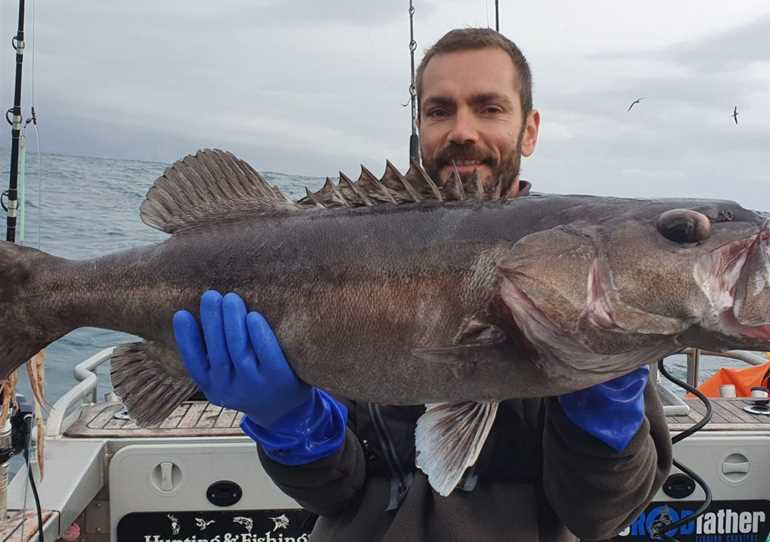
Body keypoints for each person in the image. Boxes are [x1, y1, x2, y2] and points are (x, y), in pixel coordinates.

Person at [172, 28, 672, 542]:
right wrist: (287, 420)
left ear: (530, 130)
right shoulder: (353, 244)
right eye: (439, 111)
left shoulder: (586, 276)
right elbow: (333, 496)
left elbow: (600, 516)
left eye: (489, 108)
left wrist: (603, 405)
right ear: (419, 127)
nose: (463, 131)